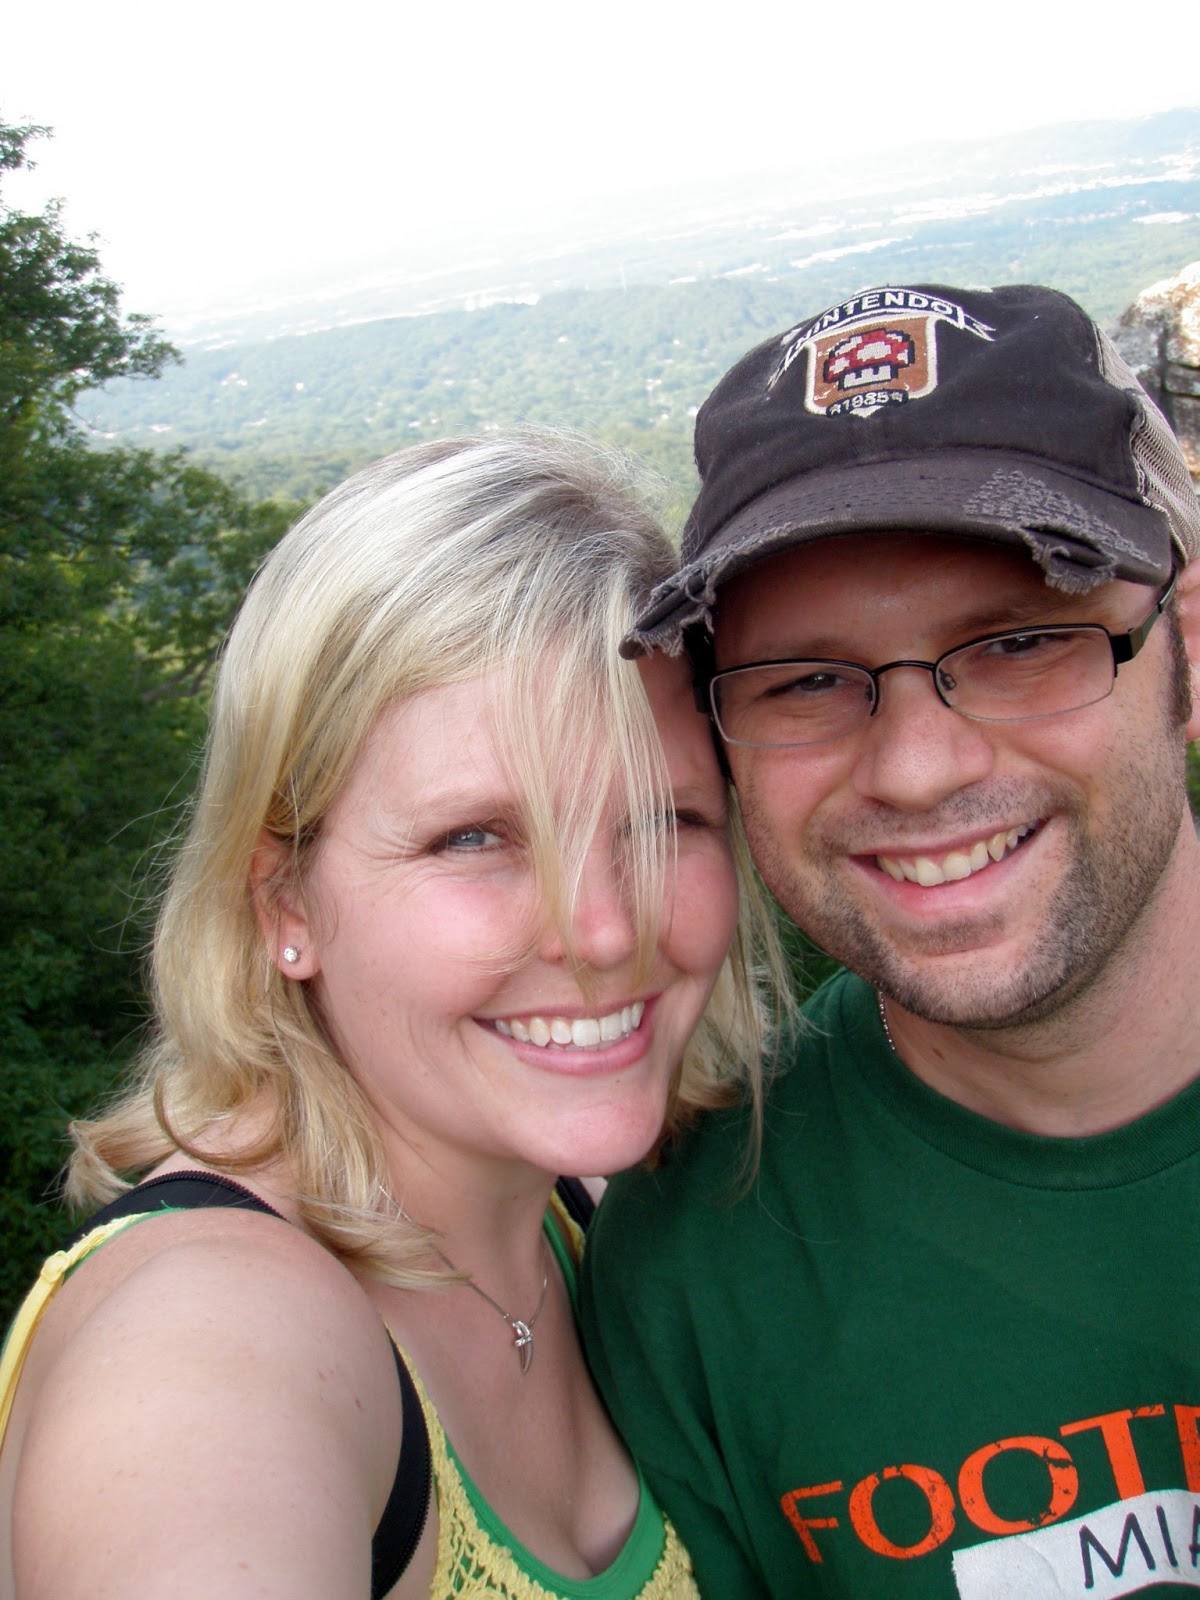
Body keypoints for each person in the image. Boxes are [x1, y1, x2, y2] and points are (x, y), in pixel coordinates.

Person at [0, 430, 775, 1600]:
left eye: (667, 822)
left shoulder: (592, 1219)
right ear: (284, 900)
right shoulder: (202, 1349)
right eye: (477, 837)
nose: (606, 929)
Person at [581, 282, 1200, 1600]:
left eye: (1021, 641)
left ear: (1186, 646)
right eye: (806, 680)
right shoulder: (696, 1272)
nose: (918, 769)